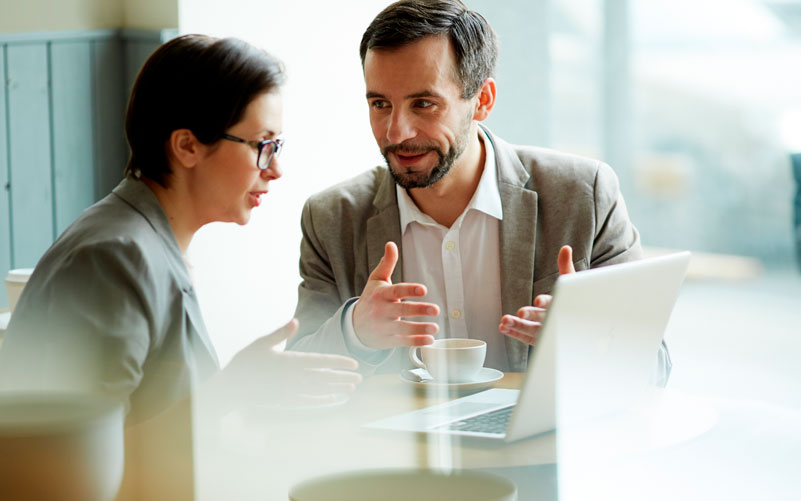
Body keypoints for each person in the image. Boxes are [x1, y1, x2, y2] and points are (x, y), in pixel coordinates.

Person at [288, 0, 671, 385]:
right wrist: (356, 332)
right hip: (397, 445)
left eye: (424, 104)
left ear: (483, 100)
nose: (396, 132)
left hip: (542, 441)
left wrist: (593, 341)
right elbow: (296, 375)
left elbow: (653, 366)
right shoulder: (332, 217)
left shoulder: (582, 195)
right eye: (380, 104)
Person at [0, 34, 362, 426]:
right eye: (262, 145)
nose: (275, 170)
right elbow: (95, 459)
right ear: (187, 146)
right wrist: (235, 388)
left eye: (278, 146)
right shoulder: (114, 257)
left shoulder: (146, 240)